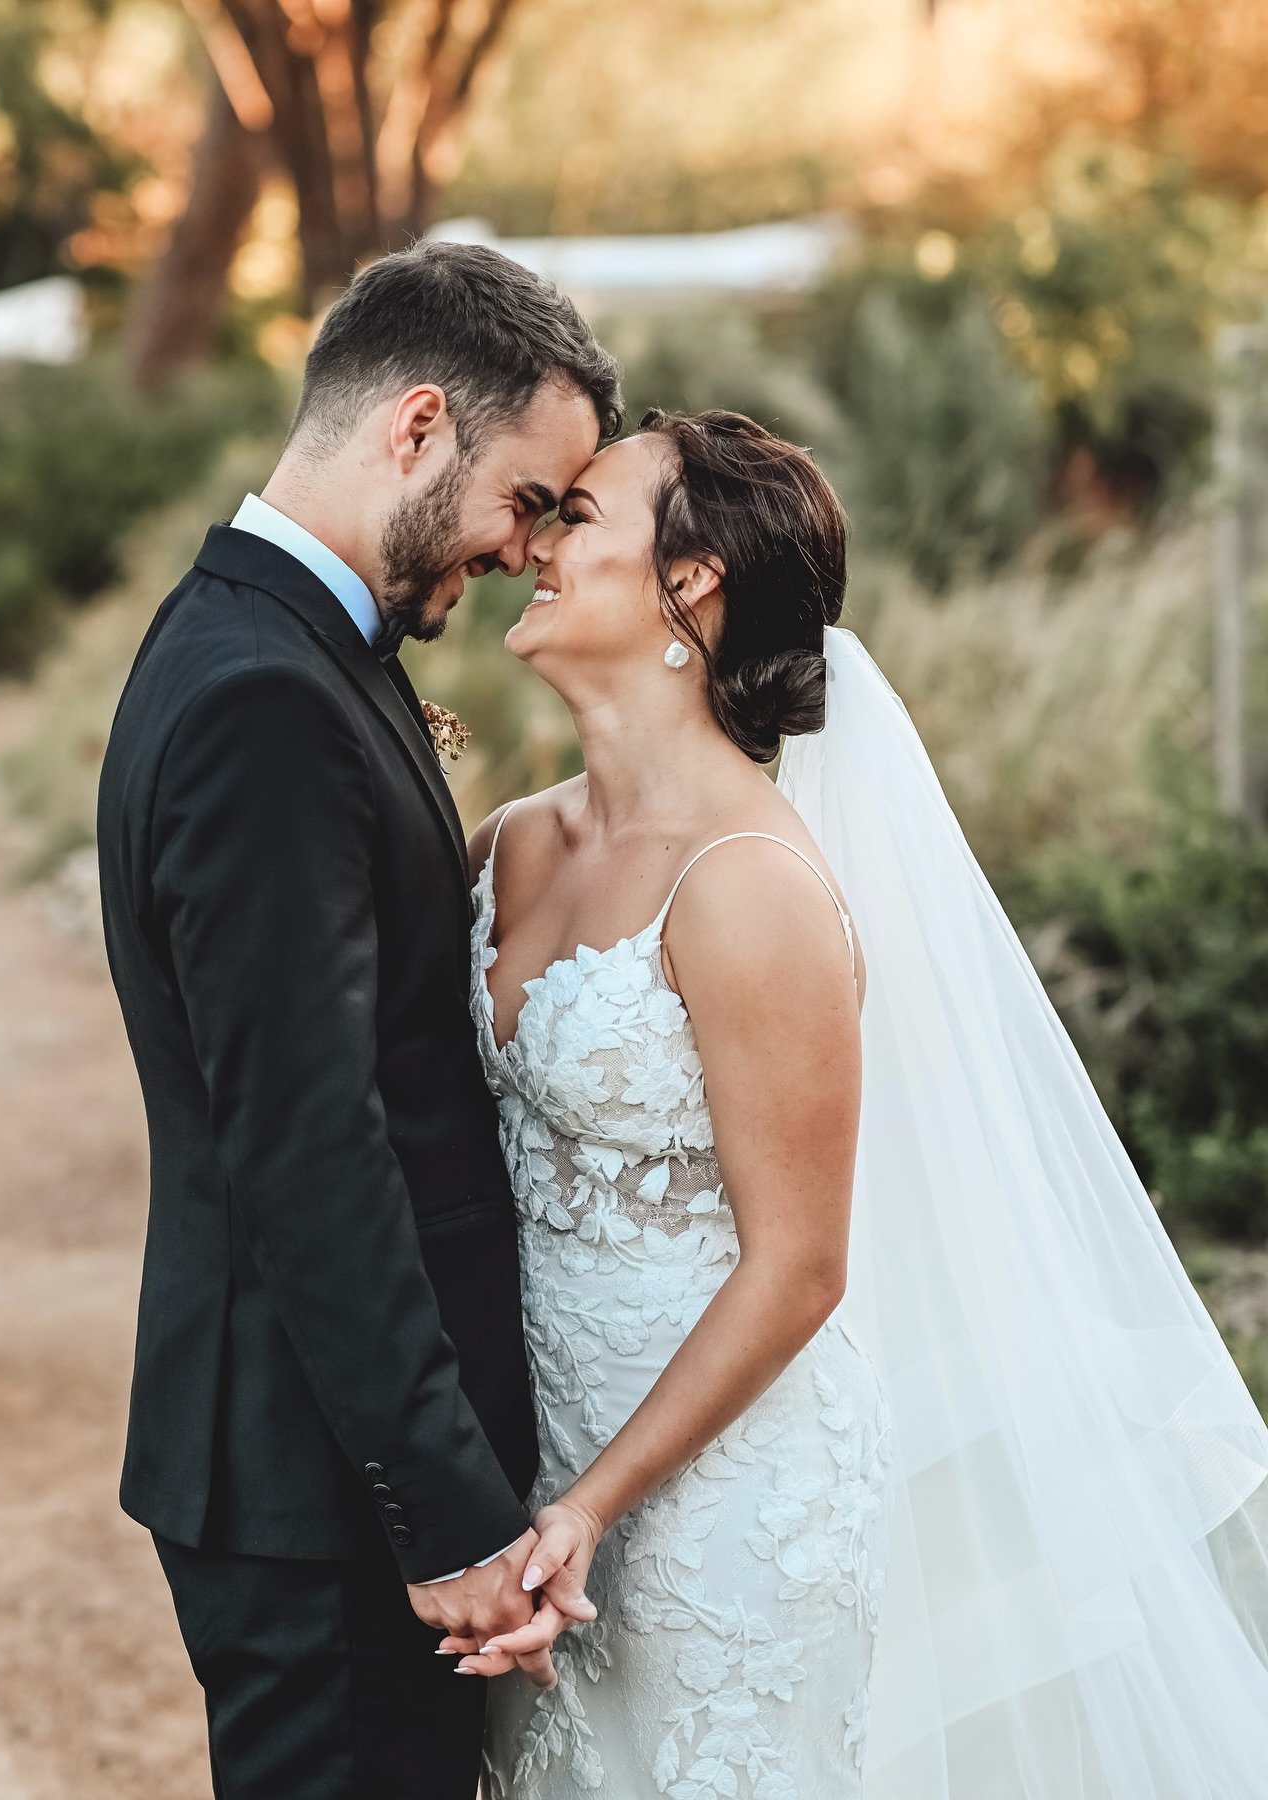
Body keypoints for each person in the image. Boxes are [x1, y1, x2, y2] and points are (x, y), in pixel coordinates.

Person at [455, 410, 1268, 1799]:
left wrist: (591, 1507)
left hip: (720, 1500)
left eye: (578, 516)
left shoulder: (750, 886)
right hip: (539, 1465)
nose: (534, 541)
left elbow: (801, 1266)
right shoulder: (512, 843)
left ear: (690, 578)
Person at [95, 238, 620, 1800]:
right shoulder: (267, 696)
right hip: (317, 1483)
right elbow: (311, 1144)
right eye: (525, 499)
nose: (530, 552)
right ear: (414, 428)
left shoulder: (286, 643)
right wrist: (445, 1510)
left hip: (311, 1462)